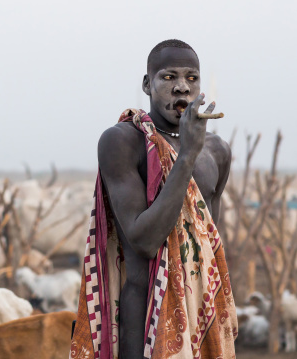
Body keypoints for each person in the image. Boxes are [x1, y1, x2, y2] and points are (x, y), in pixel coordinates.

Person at [70, 40, 237, 359]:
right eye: (168, 77)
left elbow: (209, 248)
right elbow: (144, 241)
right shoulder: (122, 141)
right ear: (147, 84)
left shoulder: (216, 150)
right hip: (144, 320)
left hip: (201, 316)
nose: (181, 89)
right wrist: (187, 154)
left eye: (191, 78)